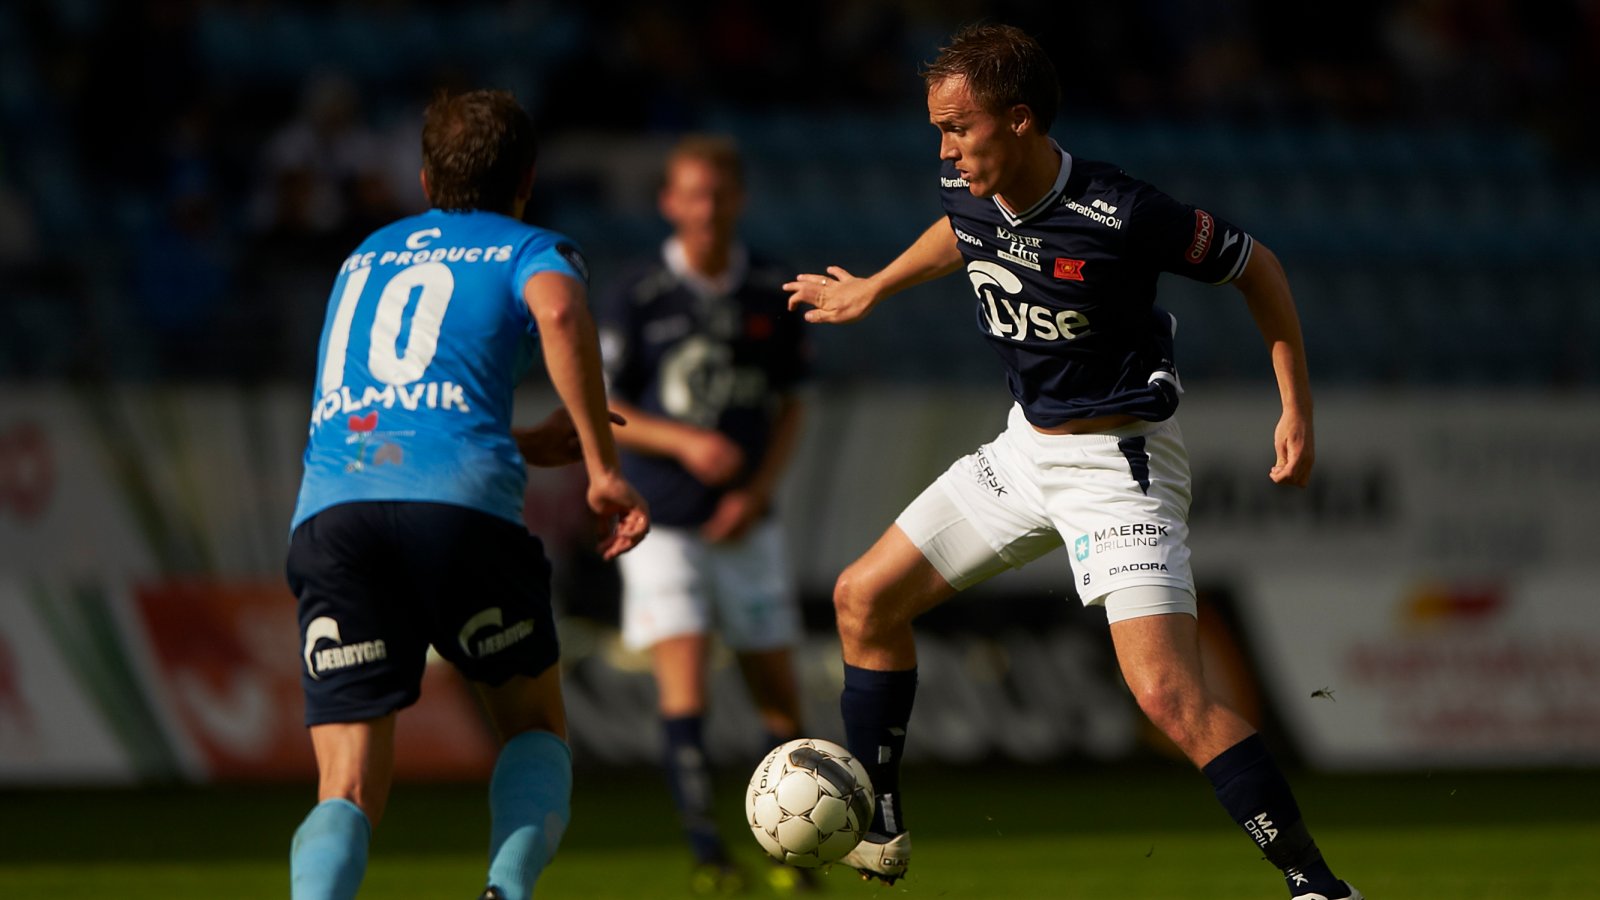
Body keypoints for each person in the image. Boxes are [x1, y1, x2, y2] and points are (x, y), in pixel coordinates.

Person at [783, 24, 1361, 900]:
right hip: (1024, 452)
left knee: (1168, 698)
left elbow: (1259, 268)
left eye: (958, 128)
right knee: (863, 598)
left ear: (1019, 120)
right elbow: (962, 230)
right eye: (938, 130)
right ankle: (879, 824)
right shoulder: (969, 183)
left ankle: (1319, 885)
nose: (944, 150)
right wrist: (874, 284)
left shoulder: (1122, 212)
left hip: (1119, 469)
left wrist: (1297, 408)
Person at [285, 88, 650, 900]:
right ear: (528, 179)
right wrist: (600, 467)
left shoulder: (363, 256)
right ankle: (504, 891)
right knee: (533, 725)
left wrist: (514, 442)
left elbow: (387, 414)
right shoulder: (532, 247)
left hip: (334, 516)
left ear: (424, 180)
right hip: (461, 519)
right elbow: (560, 313)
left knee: (345, 783)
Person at [596, 134, 814, 894]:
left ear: (738, 199)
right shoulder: (640, 291)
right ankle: (709, 855)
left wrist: (755, 493)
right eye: (692, 194)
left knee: (776, 690)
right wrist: (687, 443)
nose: (707, 208)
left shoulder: (769, 288)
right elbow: (607, 406)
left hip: (746, 521)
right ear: (669, 202)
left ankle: (795, 850)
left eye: (718, 194)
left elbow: (792, 405)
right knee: (684, 680)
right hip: (661, 522)